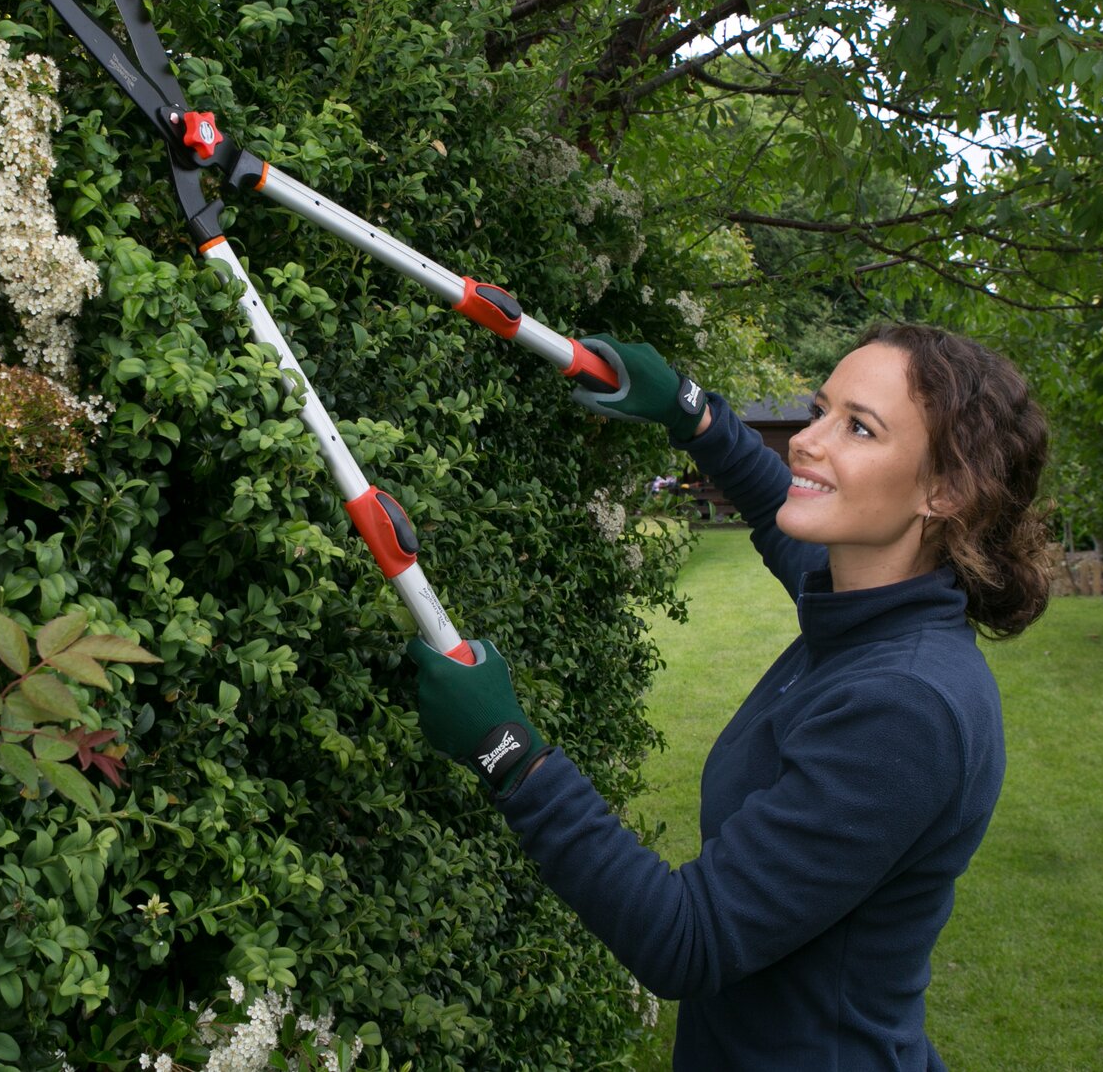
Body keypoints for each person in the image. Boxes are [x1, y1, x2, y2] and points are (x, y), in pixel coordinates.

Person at [406, 323, 1056, 1070]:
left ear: (944, 490)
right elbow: (778, 507)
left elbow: (689, 939)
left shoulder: (906, 705)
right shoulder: (867, 602)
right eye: (821, 410)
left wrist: (508, 751)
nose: (808, 440)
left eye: (859, 427)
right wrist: (691, 410)